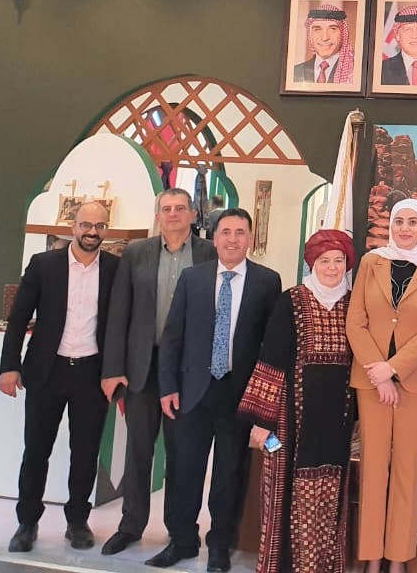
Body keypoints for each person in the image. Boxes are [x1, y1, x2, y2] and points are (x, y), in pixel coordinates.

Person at [151, 209, 282, 572]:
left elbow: (271, 345)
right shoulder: (193, 278)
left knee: (229, 475)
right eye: (226, 232)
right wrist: (167, 387)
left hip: (239, 396)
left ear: (250, 238)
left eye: (240, 232)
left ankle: (220, 545)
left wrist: (263, 401)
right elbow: (172, 336)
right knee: (184, 471)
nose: (232, 239)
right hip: (192, 391)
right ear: (214, 237)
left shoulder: (267, 282)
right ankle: (181, 541)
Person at [100, 188, 216, 556]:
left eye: (180, 208)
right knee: (138, 451)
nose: (173, 214)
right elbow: (119, 312)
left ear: (193, 214)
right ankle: (130, 525)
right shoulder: (137, 253)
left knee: (182, 453)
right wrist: (113, 368)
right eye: (166, 209)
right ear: (158, 215)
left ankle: (180, 530)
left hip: (187, 370)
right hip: (143, 367)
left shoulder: (210, 253)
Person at [0, 202, 119, 553]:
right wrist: (9, 365)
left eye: (99, 226)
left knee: (85, 452)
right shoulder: (44, 264)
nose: (92, 231)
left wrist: (117, 371)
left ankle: (78, 521)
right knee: (36, 450)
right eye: (86, 224)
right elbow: (19, 316)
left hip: (92, 374)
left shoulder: (115, 268)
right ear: (73, 226)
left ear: (106, 229)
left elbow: (121, 324)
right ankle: (27, 522)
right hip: (46, 372)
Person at [237, 229, 357, 573]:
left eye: (338, 261)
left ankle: (322, 565)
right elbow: (272, 358)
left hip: (336, 422)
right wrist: (263, 421)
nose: (332, 268)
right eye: (324, 261)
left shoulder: (355, 304)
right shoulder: (291, 301)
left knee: (331, 489)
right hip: (289, 420)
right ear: (312, 264)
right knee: (286, 490)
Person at [346, 198, 417, 573]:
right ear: (390, 225)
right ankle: (372, 557)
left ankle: (397, 559)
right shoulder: (371, 262)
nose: (405, 229)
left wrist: (392, 369)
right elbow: (355, 321)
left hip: (416, 382)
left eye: (413, 222)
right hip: (370, 380)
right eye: (399, 221)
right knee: (373, 468)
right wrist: (378, 372)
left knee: (407, 469)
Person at [292, 4, 355, 84]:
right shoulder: (295, 72)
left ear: (343, 34)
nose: (325, 38)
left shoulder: (354, 72)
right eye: (317, 29)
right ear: (310, 35)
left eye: (332, 29)